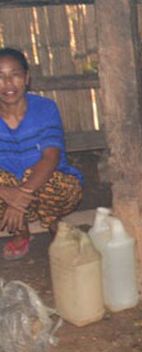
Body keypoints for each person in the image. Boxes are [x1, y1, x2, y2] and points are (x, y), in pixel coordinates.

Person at [0, 47, 82, 260]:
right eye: (0, 77)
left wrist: (21, 195)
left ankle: (53, 224)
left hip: (48, 186)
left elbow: (51, 157)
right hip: (9, 188)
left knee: (39, 174)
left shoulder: (45, 108)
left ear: (26, 78)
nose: (8, 84)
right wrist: (8, 194)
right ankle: (21, 230)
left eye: (15, 75)